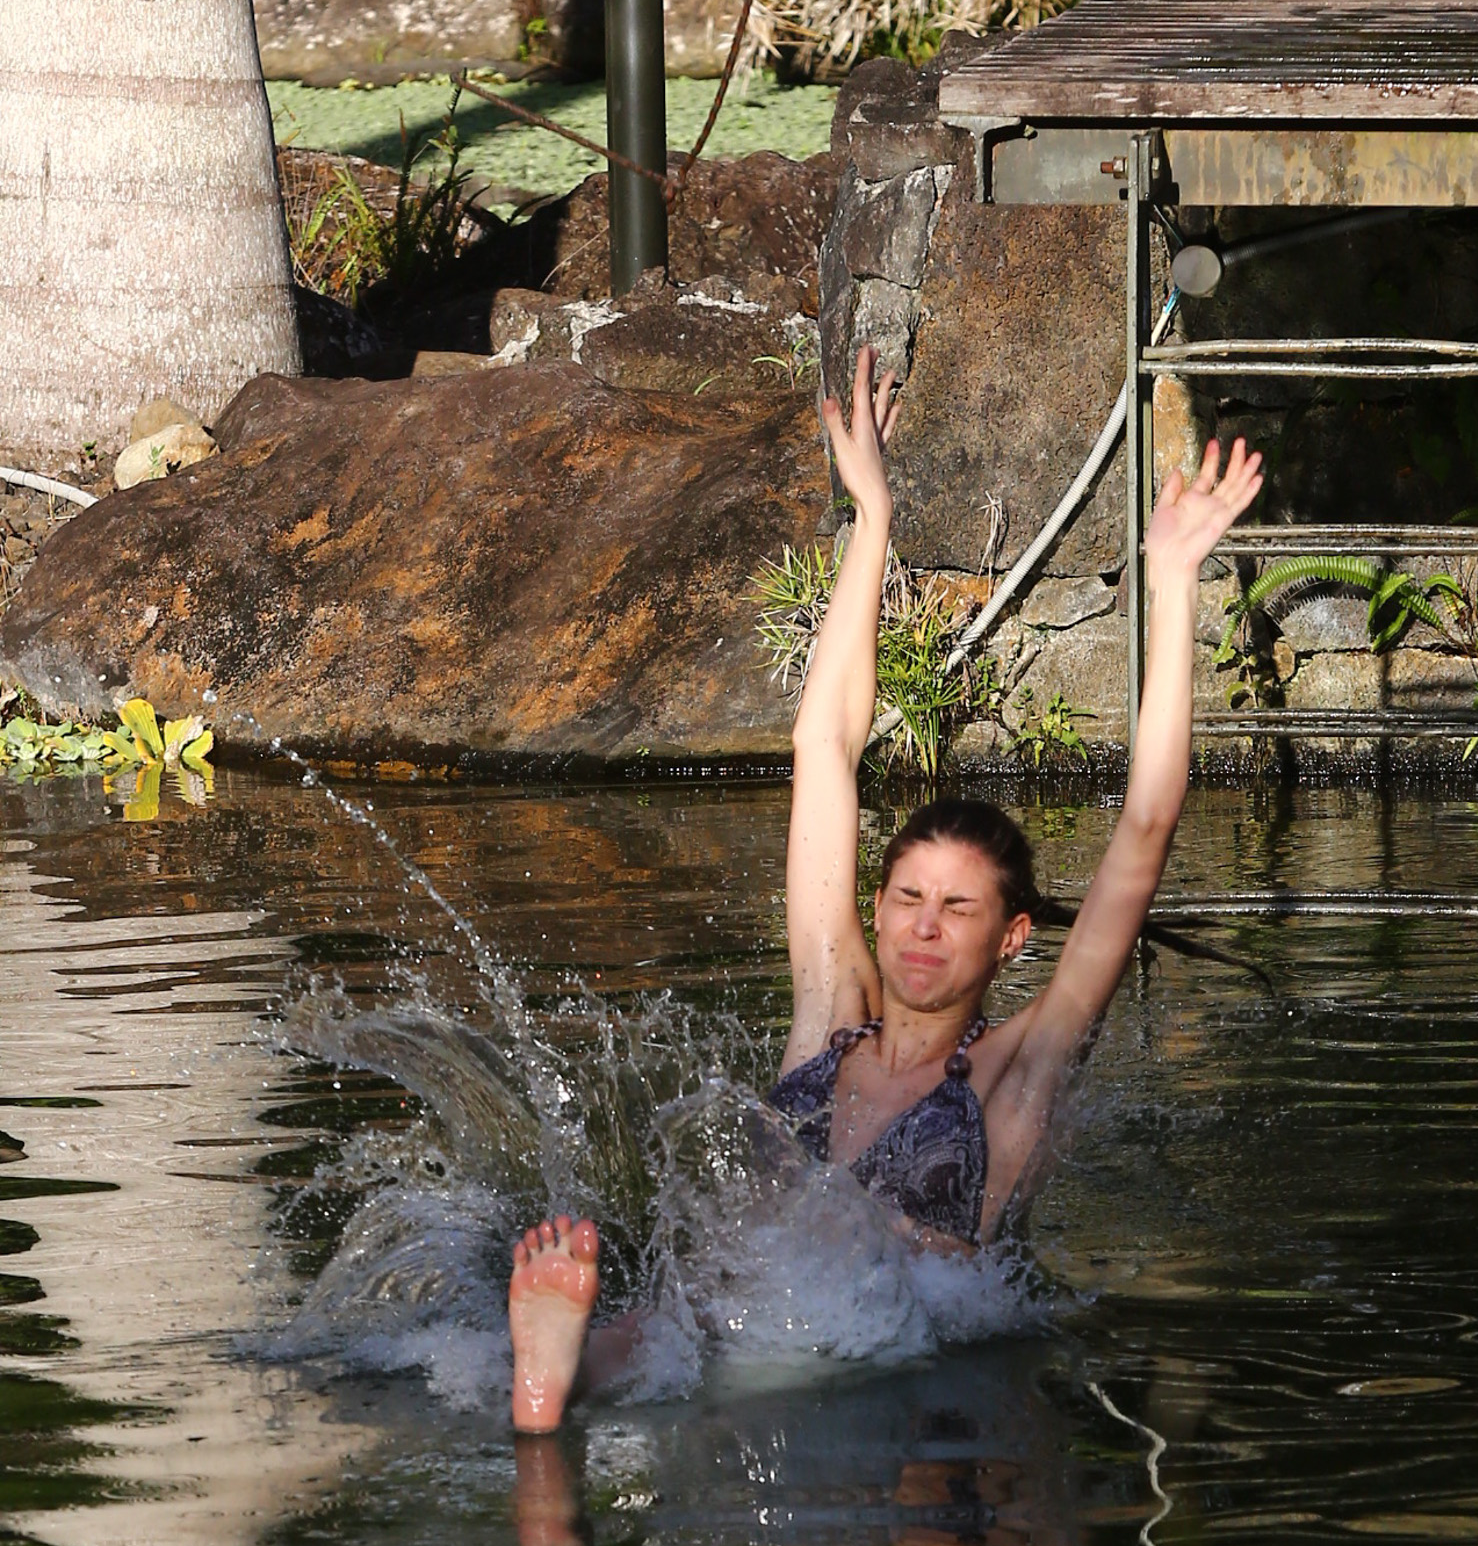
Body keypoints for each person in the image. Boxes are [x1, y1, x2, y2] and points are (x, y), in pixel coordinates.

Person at [506, 344, 1263, 1429]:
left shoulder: (1018, 1072)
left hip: (890, 1372)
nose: (922, 927)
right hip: (740, 1324)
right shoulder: (829, 1019)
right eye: (907, 898)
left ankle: (573, 1387)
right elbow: (823, 748)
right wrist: (871, 520)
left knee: (751, 1341)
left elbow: (1145, 822)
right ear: (877, 906)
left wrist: (1172, 583)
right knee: (676, 1320)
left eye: (957, 909)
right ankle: (557, 1381)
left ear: (1010, 938)